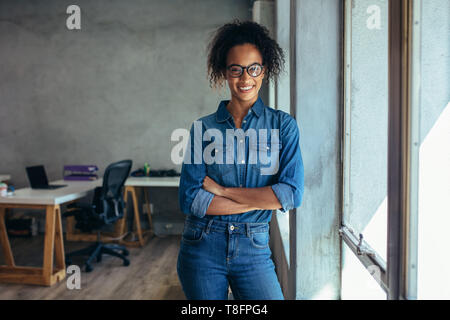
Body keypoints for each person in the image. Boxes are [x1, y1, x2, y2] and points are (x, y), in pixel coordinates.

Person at [177, 20, 304, 300]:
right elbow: (191, 199)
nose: (245, 78)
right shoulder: (203, 128)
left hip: (254, 248)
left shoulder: (283, 126)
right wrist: (263, 198)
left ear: (264, 71)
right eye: (236, 69)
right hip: (202, 246)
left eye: (253, 68)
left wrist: (223, 192)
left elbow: (291, 194)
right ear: (225, 72)